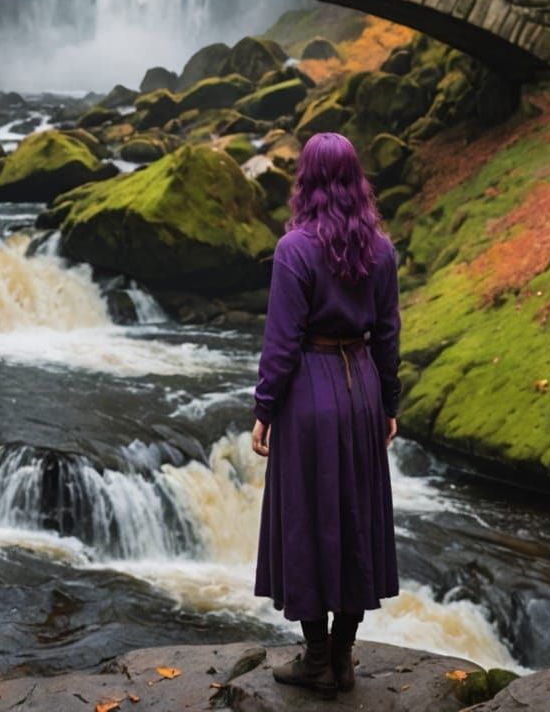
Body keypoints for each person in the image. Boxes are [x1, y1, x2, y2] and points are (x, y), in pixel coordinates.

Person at [251, 129, 401, 698]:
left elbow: (282, 341)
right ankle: (343, 658)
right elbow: (387, 335)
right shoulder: (380, 250)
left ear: (307, 180)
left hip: (309, 396)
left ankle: (317, 659)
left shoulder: (295, 249)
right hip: (360, 385)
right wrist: (389, 403)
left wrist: (264, 408)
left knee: (308, 518)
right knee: (354, 516)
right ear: (356, 180)